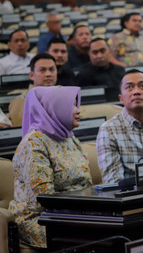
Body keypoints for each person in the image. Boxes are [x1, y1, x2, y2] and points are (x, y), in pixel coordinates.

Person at [9, 86, 92, 249]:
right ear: (54, 109)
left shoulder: (69, 137)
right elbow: (42, 199)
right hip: (42, 218)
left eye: (77, 105)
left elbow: (86, 183)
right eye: (72, 106)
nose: (78, 111)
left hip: (76, 211)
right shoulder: (34, 143)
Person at [9, 53, 58, 126]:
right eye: (42, 70)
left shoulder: (63, 95)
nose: (48, 74)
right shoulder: (21, 101)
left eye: (52, 69)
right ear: (32, 75)